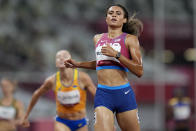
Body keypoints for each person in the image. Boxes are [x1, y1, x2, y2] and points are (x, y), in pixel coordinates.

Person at [64, 4, 143, 131]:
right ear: (106, 18)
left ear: (124, 20)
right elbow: (102, 63)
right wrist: (78, 64)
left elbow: (139, 70)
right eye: (111, 13)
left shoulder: (130, 40)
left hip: (124, 93)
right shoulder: (98, 38)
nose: (114, 15)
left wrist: (117, 55)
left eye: (118, 13)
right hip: (103, 94)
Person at [21, 50, 96, 131]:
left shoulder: (82, 78)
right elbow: (37, 94)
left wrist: (102, 111)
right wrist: (26, 115)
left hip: (80, 121)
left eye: (64, 56)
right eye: (58, 57)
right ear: (56, 63)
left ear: (71, 61)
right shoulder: (52, 81)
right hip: (62, 121)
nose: (61, 59)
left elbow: (97, 96)